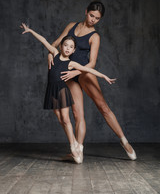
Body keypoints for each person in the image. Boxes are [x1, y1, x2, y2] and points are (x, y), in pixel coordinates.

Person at [48, 1, 137, 161]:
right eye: (91, 15)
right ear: (86, 11)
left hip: (83, 72)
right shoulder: (72, 26)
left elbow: (92, 62)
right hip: (68, 74)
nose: (93, 20)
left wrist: (77, 70)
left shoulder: (94, 36)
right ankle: (78, 149)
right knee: (75, 113)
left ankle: (124, 141)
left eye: (97, 18)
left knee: (103, 107)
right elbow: (56, 43)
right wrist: (50, 54)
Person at [20, 23, 116, 164]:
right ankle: (73, 144)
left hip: (62, 90)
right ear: (61, 46)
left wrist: (104, 76)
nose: (68, 48)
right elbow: (44, 40)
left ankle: (73, 146)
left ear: (73, 50)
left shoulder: (71, 64)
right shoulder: (55, 53)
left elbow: (89, 69)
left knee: (65, 118)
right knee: (59, 118)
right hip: (51, 90)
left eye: (71, 47)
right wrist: (30, 31)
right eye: (66, 45)